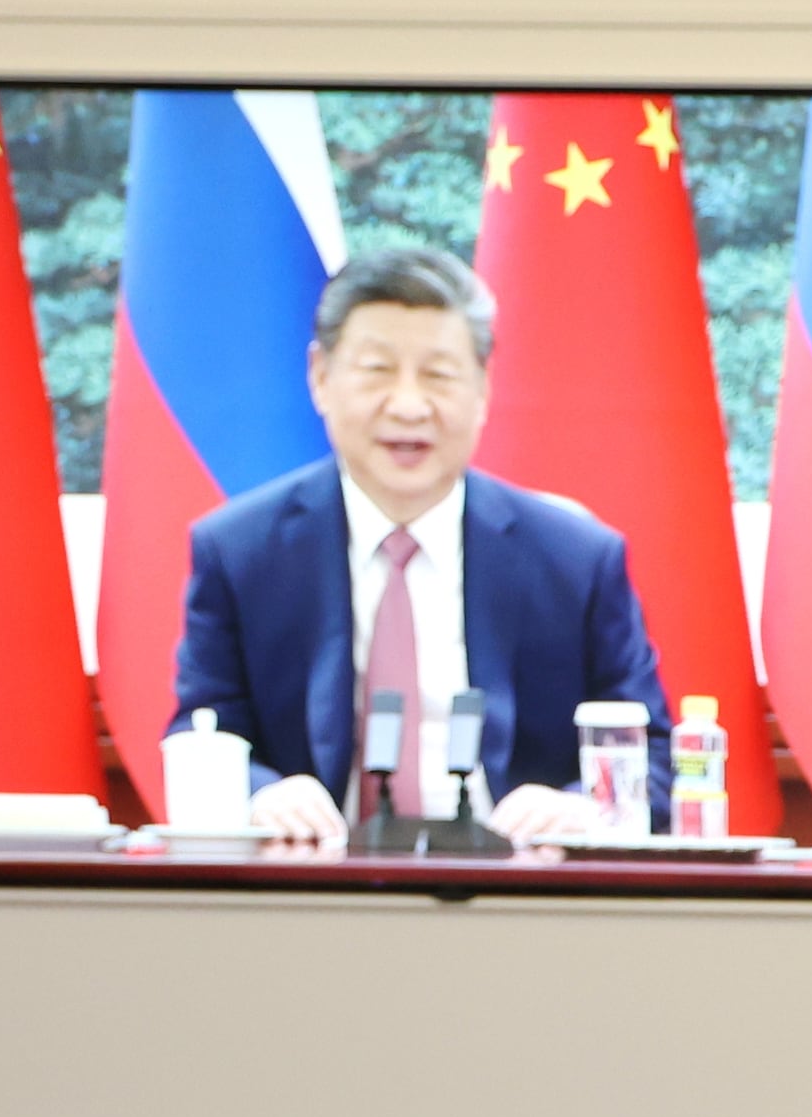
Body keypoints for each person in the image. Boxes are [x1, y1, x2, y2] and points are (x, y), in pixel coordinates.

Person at [166, 246, 664, 844]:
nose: (407, 406)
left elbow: (654, 756)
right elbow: (200, 735)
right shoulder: (242, 552)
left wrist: (583, 806)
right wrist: (261, 794)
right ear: (320, 378)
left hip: (519, 897)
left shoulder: (574, 559)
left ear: (482, 390)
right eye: (377, 370)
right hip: (311, 893)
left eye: (438, 375)